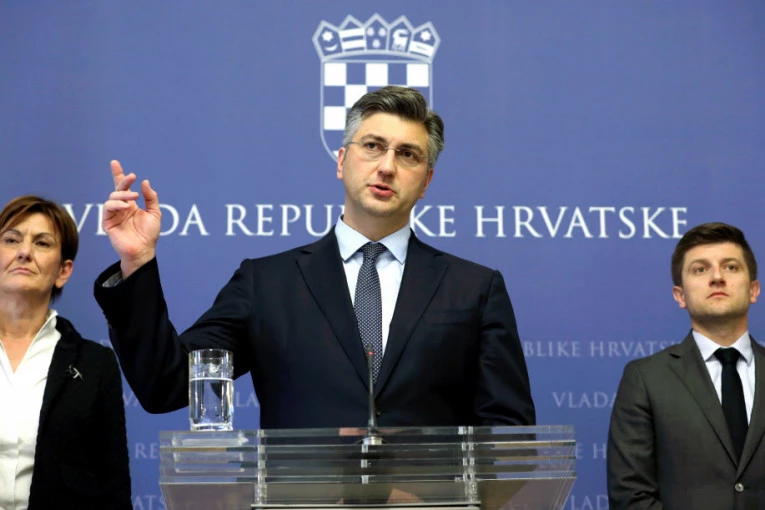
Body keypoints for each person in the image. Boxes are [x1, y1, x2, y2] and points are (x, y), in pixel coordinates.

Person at [93, 85, 536, 429]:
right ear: (341, 161)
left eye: (408, 155)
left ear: (426, 181)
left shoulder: (474, 289)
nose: (387, 166)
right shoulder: (266, 283)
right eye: (372, 146)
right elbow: (166, 384)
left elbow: (508, 432)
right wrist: (137, 263)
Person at [607, 222, 764, 509]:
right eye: (700, 269)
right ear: (680, 296)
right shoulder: (646, 379)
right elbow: (631, 496)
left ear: (754, 290)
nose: (717, 277)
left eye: (730, 267)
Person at [0, 195, 131, 509]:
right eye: (11, 240)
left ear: (63, 271)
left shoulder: (95, 364)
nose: (24, 252)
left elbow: (114, 490)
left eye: (42, 243)